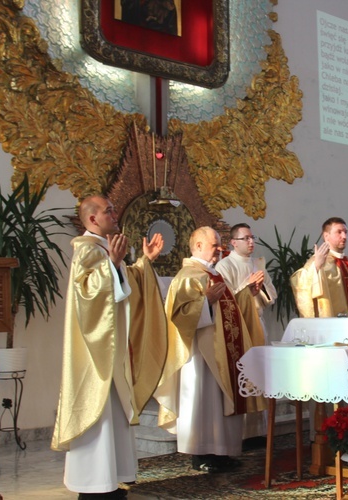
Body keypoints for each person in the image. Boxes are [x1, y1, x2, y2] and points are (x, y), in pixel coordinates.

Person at [51, 194, 167, 499]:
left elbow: (126, 287)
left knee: (115, 421)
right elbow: (87, 294)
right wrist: (113, 265)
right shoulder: (86, 250)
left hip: (114, 355)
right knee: (99, 422)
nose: (115, 214)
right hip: (95, 358)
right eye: (108, 210)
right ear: (91, 219)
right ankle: (93, 487)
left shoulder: (105, 249)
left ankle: (113, 482)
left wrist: (144, 262)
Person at [154, 226, 265, 473]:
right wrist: (206, 302)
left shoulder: (213, 274)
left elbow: (231, 307)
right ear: (199, 246)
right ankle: (201, 454)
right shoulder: (187, 276)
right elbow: (177, 317)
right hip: (199, 356)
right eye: (215, 245)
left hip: (223, 351)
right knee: (203, 403)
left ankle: (221, 452)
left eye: (219, 244)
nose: (219, 249)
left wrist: (248, 294)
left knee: (221, 402)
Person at [290, 217, 348, 318]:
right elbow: (300, 282)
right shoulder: (316, 262)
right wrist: (316, 268)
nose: (344, 236)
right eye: (339, 232)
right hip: (334, 324)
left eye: (345, 232)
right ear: (326, 236)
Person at [215, 223, 277, 343]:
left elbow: (272, 294)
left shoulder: (258, 264)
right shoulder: (224, 266)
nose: (251, 242)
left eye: (252, 237)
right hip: (238, 324)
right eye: (245, 238)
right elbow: (225, 302)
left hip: (257, 320)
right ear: (234, 242)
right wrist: (247, 287)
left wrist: (261, 288)